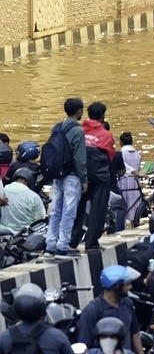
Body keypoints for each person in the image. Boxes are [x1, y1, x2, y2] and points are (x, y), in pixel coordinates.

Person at [70, 102, 118, 252]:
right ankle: (91, 244)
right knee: (98, 210)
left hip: (80, 176)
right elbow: (111, 156)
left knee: (77, 209)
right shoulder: (106, 134)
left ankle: (72, 241)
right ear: (103, 116)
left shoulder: (78, 130)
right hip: (100, 178)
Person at [78, 266, 146, 354]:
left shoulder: (127, 303)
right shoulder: (92, 310)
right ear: (117, 287)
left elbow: (134, 332)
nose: (130, 287)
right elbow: (83, 346)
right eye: (127, 284)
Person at [45, 97, 87, 257]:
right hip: (72, 176)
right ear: (79, 111)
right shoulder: (78, 130)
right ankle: (63, 246)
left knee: (56, 211)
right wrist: (83, 179)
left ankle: (50, 245)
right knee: (69, 212)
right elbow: (80, 158)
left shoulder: (56, 128)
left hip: (57, 174)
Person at [116, 133, 145, 225]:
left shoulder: (120, 154)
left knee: (123, 209)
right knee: (135, 209)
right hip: (135, 183)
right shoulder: (138, 154)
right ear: (132, 142)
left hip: (123, 182)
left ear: (120, 142)